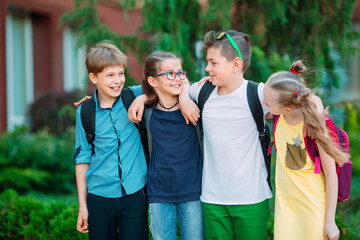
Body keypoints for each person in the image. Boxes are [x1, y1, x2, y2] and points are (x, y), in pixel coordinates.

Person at [186, 30, 272, 239]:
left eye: (213, 63)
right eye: (207, 62)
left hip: (251, 198)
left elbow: (296, 98)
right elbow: (175, 87)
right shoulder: (202, 92)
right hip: (212, 198)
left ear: (236, 64)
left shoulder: (258, 94)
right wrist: (182, 98)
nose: (207, 68)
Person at [262, 61, 348, 240]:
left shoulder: (315, 129)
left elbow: (331, 175)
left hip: (313, 211)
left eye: (268, 103)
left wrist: (330, 221)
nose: (264, 104)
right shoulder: (280, 115)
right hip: (285, 210)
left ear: (287, 108)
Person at [73, 41, 148, 240]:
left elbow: (167, 85)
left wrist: (142, 99)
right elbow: (82, 159)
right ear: (94, 77)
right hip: (99, 198)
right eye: (110, 75)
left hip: (134, 194)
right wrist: (83, 205)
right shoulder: (85, 112)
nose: (117, 81)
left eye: (120, 73)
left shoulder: (133, 96)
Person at [142, 51, 204, 240]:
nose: (177, 78)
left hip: (194, 191)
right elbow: (113, 94)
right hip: (159, 193)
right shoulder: (147, 113)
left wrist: (185, 96)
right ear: (153, 81)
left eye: (180, 73)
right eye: (170, 74)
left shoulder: (195, 106)